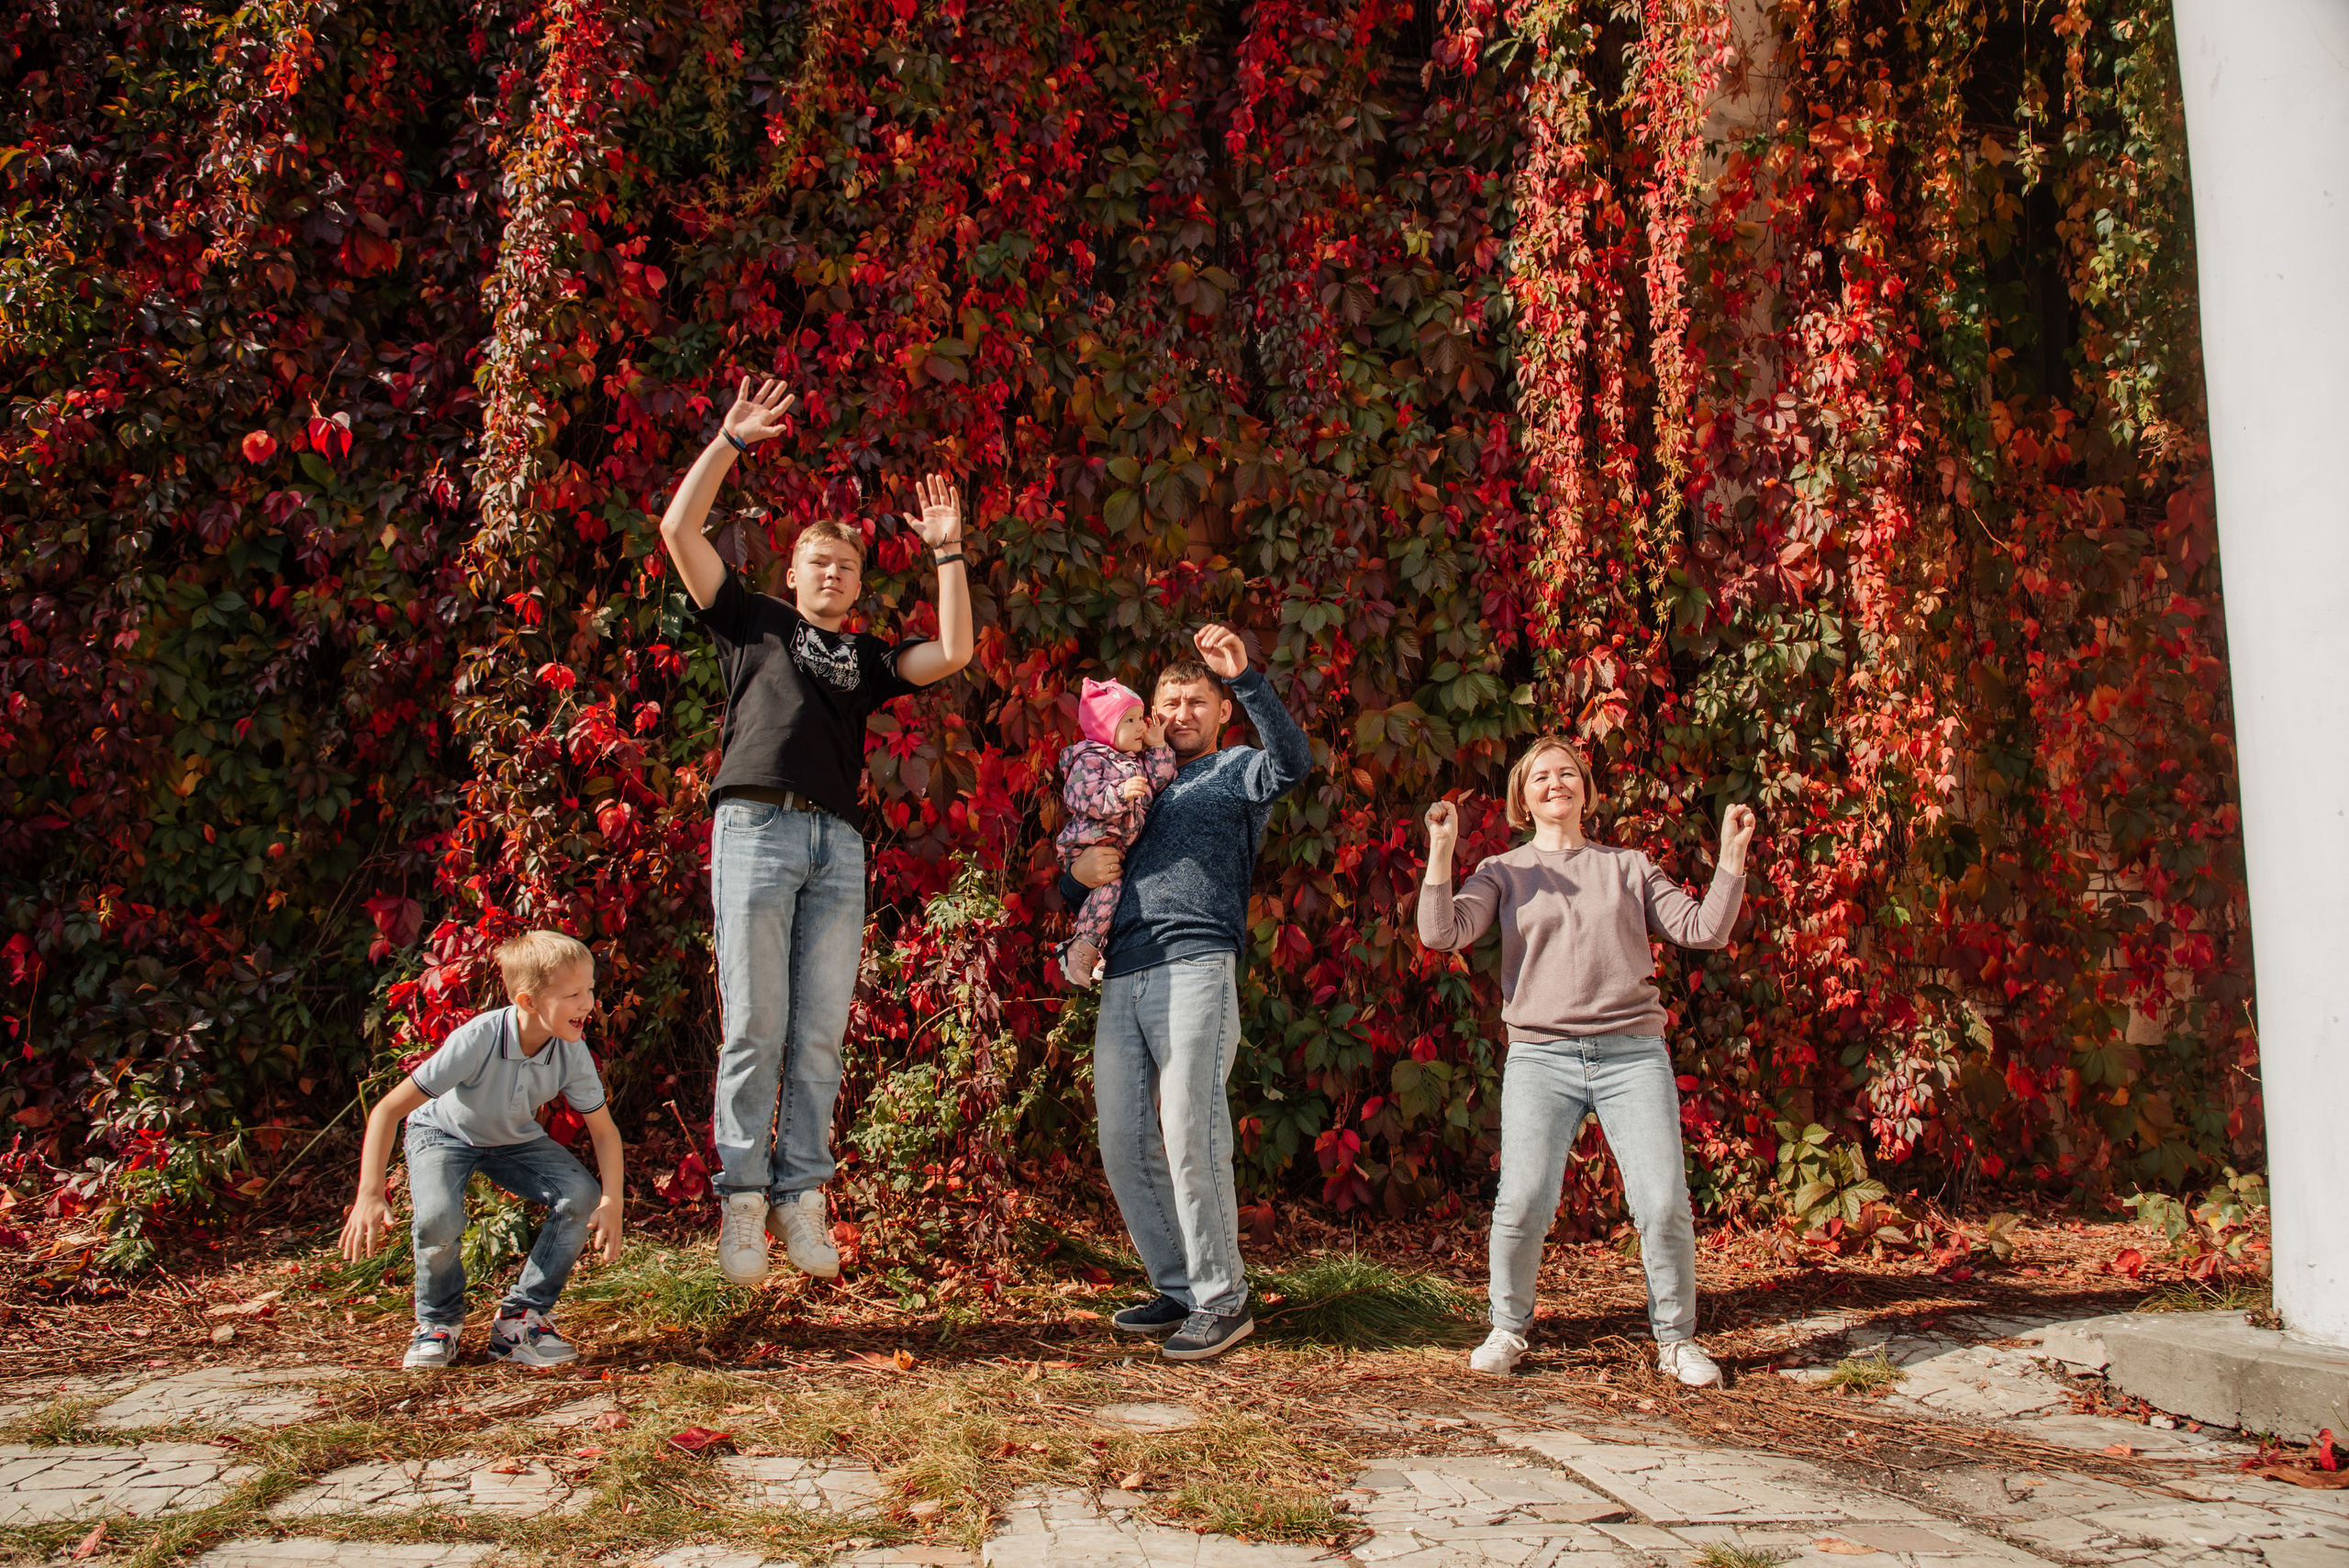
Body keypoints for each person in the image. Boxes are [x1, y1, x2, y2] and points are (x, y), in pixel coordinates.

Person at [655, 376, 975, 1288]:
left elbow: (951, 652)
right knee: (755, 1022)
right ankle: (744, 1204)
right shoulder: (750, 621)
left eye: (846, 567)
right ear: (791, 573)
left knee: (820, 1032)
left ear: (860, 585)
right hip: (755, 824)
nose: (830, 573)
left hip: (836, 844)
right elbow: (680, 533)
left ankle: (803, 1195)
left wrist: (947, 552)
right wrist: (729, 442)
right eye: (815, 562)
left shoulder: (870, 660)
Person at [1417, 734, 1755, 1386]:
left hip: (1631, 1055)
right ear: (1523, 795)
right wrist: (1440, 850)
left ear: (1584, 790)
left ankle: (1676, 1340)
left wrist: (1732, 857)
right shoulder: (1501, 871)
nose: (1555, 782)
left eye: (1566, 772)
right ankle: (1508, 1328)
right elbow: (1441, 933)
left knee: (1661, 1203)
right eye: (1540, 775)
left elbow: (1702, 930)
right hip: (1541, 1056)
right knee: (1522, 1199)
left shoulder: (1628, 866)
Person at [1062, 628, 1311, 1361]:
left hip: (1196, 963)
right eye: (1168, 700)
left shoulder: (1234, 772)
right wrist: (1069, 880)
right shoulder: (1129, 779)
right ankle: (1180, 1287)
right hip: (1123, 969)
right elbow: (1083, 857)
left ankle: (1224, 1297)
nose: (1179, 712)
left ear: (1219, 712)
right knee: (1123, 1141)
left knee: (1189, 1134)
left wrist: (1246, 677)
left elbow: (1293, 763)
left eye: (1196, 700)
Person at [340, 930, 625, 1369]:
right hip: (443, 1134)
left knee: (580, 1195)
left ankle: (520, 1322)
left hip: (513, 1139)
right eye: (573, 994)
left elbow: (604, 1132)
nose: (588, 1003)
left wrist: (613, 1200)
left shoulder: (572, 1053)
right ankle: (437, 1325)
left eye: (590, 989)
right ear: (529, 1002)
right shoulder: (479, 1039)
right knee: (438, 1219)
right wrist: (370, 1192)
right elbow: (387, 1111)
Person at [1054, 677, 1176, 988]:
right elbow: (1082, 795)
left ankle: (1105, 953)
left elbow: (1160, 782)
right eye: (1131, 720)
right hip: (1089, 842)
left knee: (1121, 894)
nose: (1140, 727)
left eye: (1140, 718)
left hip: (1116, 846)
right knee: (1109, 891)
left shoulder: (1135, 762)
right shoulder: (1090, 758)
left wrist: (1159, 744)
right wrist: (1120, 793)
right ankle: (1081, 947)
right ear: (1107, 727)